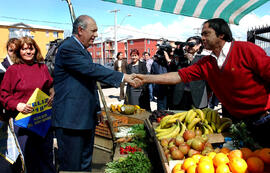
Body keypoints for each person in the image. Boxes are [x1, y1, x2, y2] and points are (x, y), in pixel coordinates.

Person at [134, 18, 270, 147]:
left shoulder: (246, 50)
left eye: (206, 34)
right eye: (202, 34)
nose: (202, 38)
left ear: (221, 35)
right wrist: (145, 78)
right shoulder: (207, 63)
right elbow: (178, 76)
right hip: (236, 122)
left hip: (263, 119)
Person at [52, 15, 136, 172]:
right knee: (72, 167)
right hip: (71, 122)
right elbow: (91, 70)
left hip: (85, 119)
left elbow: (90, 84)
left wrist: (97, 108)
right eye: (94, 31)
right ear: (80, 30)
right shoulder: (68, 48)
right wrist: (123, 77)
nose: (96, 35)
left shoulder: (83, 51)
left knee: (85, 164)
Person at [0, 36, 55, 173]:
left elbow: (51, 86)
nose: (28, 52)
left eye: (31, 48)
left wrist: (53, 94)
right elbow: (4, 95)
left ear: (35, 50)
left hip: (42, 120)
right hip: (23, 122)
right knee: (29, 159)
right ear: (19, 52)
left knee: (46, 156)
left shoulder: (42, 67)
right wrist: (17, 105)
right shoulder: (13, 70)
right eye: (24, 49)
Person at [173, 36, 208, 110]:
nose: (189, 47)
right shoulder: (181, 58)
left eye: (192, 44)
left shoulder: (203, 58)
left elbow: (202, 72)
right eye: (187, 44)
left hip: (197, 96)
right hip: (181, 95)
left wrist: (192, 60)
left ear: (199, 45)